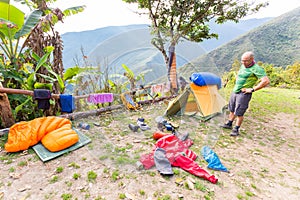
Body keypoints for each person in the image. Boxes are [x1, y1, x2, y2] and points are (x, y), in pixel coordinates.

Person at [221, 51, 270, 136]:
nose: (243, 62)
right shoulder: (243, 65)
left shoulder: (257, 68)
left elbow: (266, 81)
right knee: (232, 109)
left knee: (240, 112)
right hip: (235, 90)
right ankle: (229, 123)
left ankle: (236, 129)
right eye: (242, 61)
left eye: (246, 61)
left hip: (243, 94)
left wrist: (252, 89)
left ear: (252, 59)